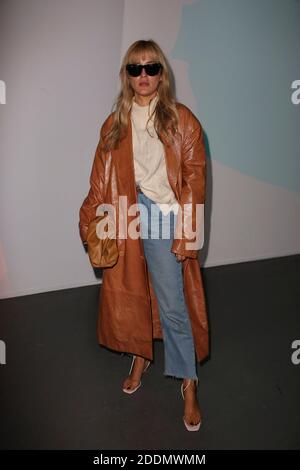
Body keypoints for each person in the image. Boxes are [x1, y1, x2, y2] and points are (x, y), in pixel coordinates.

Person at [79, 39, 209, 432]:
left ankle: (187, 380)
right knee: (133, 294)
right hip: (126, 211)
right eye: (135, 69)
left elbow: (194, 177)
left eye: (151, 68)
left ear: (161, 74)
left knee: (171, 301)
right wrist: (92, 217)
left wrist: (187, 232)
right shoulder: (115, 121)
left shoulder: (181, 119)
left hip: (163, 215)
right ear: (127, 75)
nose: (143, 76)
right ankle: (142, 354)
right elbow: (101, 177)